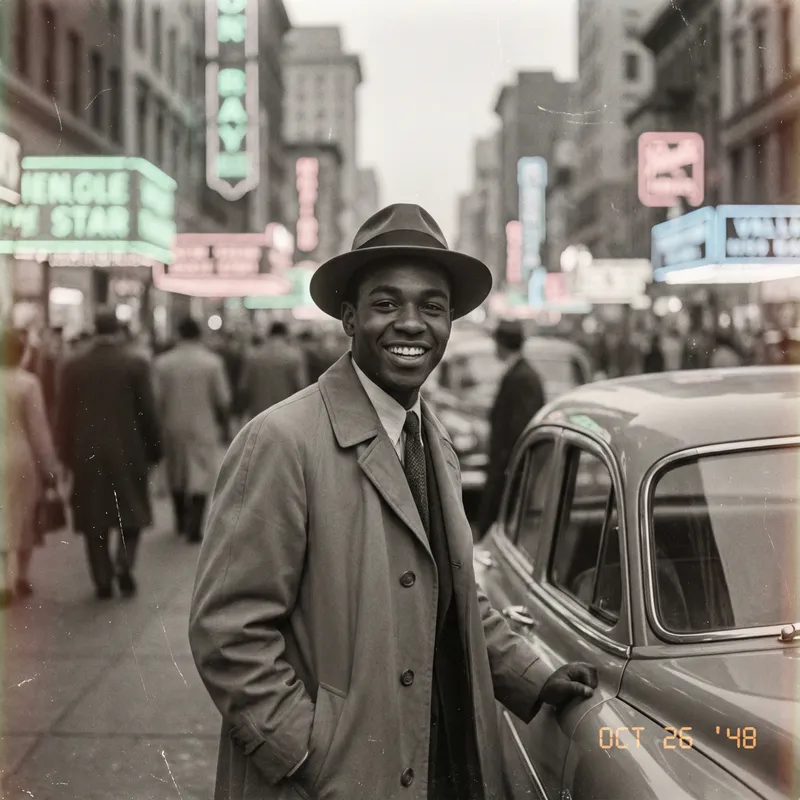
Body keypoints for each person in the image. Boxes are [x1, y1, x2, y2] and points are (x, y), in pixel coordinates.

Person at [189, 203, 597, 800]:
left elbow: (452, 597)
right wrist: (309, 753)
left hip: (437, 764)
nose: (411, 323)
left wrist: (535, 677)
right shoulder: (281, 441)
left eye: (432, 307)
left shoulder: (434, 440)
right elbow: (227, 632)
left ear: (451, 323)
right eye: (386, 304)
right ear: (349, 319)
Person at [56, 309, 162, 599]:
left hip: (86, 452)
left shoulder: (74, 366)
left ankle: (101, 578)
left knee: (94, 518)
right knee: (132, 512)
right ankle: (124, 564)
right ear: (118, 330)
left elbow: (63, 415)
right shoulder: (135, 364)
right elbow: (148, 412)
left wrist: (64, 454)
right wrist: (155, 450)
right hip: (129, 449)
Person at [154, 317, 231, 543]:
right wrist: (225, 426)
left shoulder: (162, 363)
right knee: (201, 476)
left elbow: (155, 399)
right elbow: (223, 399)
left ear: (178, 334)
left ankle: (180, 520)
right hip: (203, 425)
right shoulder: (212, 363)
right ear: (199, 335)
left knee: (176, 473)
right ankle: (194, 526)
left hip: (172, 425)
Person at [0, 329, 61, 605]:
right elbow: (38, 430)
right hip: (20, 455)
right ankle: (21, 576)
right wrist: (49, 466)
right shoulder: (27, 384)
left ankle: (2, 579)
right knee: (23, 514)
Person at [477, 319, 546, 539]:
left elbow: (520, 432)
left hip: (510, 472)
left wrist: (508, 471)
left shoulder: (523, 378)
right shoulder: (518, 374)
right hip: (506, 468)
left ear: (501, 344)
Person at [237, 320, 308, 419]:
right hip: (286, 414)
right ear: (286, 334)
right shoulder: (294, 356)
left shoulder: (253, 356)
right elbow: (301, 386)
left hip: (258, 415)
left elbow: (244, 387)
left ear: (268, 334)